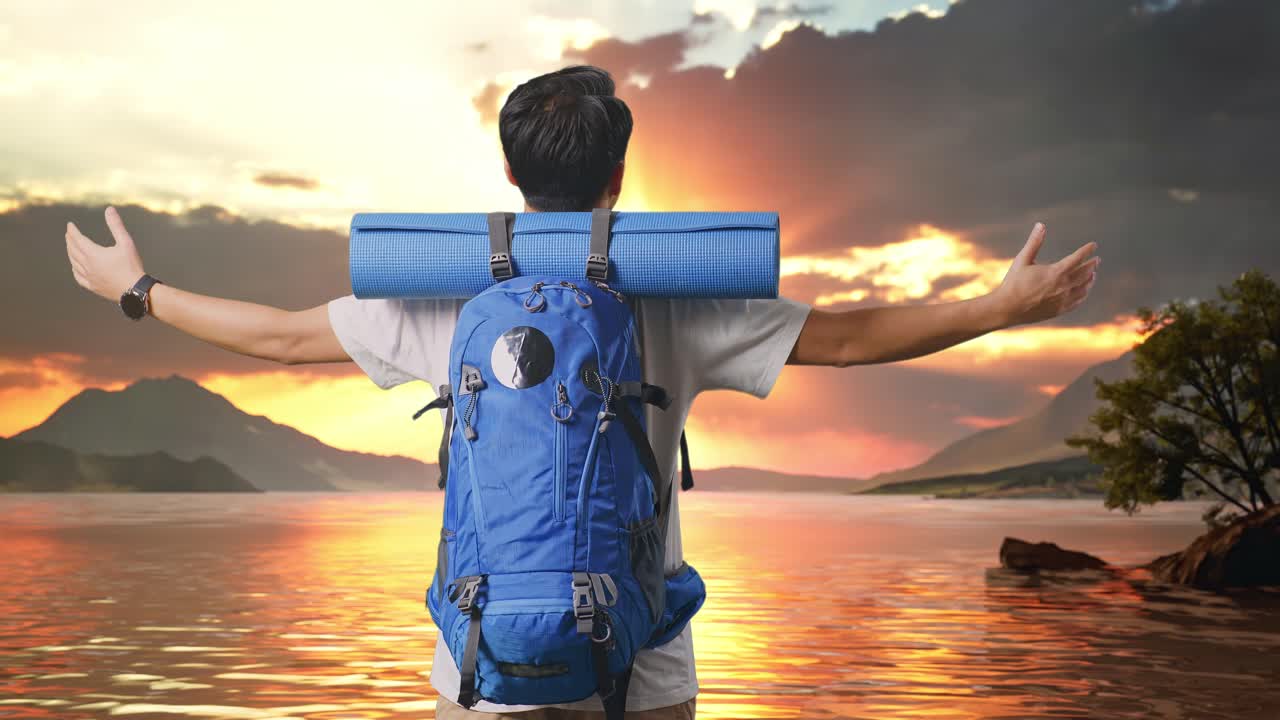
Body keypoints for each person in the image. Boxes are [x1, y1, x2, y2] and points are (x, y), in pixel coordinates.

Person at [63, 64, 1099, 720]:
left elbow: (280, 339)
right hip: (641, 667)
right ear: (617, 183)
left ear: (513, 180)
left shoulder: (453, 301)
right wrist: (997, 306)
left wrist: (139, 292)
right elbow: (850, 338)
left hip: (483, 660)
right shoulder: (676, 301)